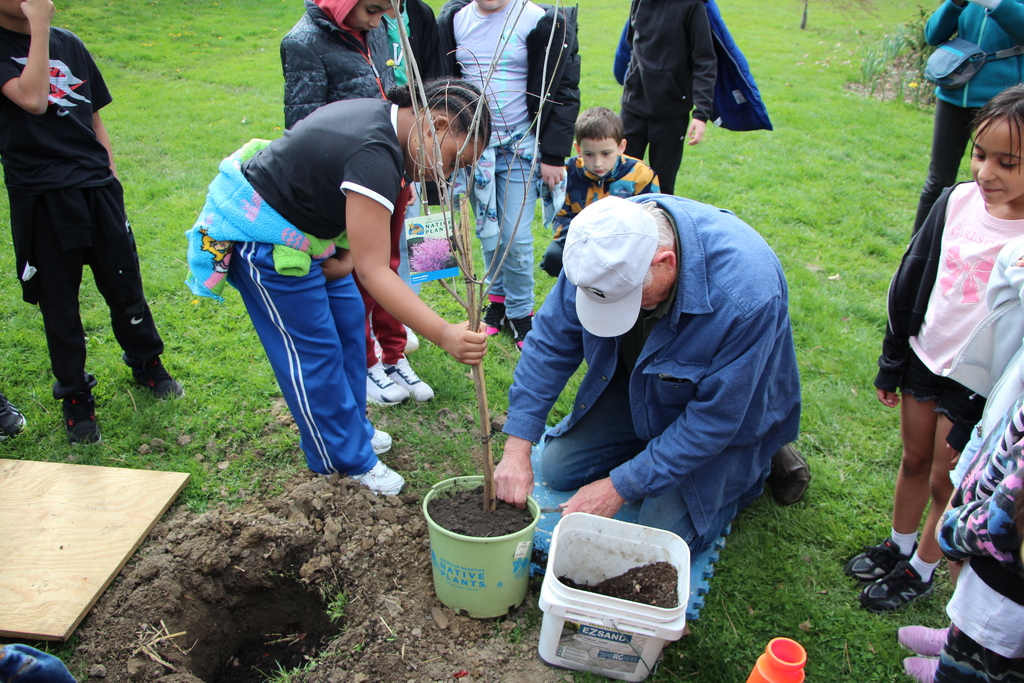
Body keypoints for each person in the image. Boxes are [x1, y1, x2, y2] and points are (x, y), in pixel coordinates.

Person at [186, 79, 491, 495]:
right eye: (454, 160)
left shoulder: (391, 133)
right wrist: (443, 333)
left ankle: (352, 428)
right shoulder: (375, 153)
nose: (449, 173)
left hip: (311, 240)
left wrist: (343, 253)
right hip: (266, 242)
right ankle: (342, 459)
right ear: (436, 124)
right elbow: (374, 271)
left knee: (349, 322)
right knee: (313, 354)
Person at [492, 195, 802, 556]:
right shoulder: (599, 244)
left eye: (627, 298)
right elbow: (549, 342)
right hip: (642, 386)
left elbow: (716, 419)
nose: (614, 311)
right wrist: (517, 448)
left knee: (658, 537)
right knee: (557, 467)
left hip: (727, 414)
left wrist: (619, 487)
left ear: (665, 262)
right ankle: (655, 447)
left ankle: (762, 453)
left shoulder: (747, 296)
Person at [847, 85, 1024, 612]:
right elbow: (912, 278)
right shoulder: (953, 201)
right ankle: (897, 546)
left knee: (948, 478)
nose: (985, 172)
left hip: (978, 382)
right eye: (979, 153)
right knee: (915, 458)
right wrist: (893, 358)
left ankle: (922, 569)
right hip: (925, 357)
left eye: (1007, 163)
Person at [0, 0, 183, 446]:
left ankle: (147, 363)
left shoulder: (71, 44)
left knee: (126, 285)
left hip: (96, 188)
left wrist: (111, 177)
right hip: (41, 195)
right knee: (59, 304)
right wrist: (39, 25)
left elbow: (93, 116)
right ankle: (75, 397)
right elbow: (33, 99)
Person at [281, 0, 434, 408]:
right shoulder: (302, 43)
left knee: (390, 266)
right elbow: (304, 126)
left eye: (386, 9)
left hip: (395, 164)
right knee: (359, 275)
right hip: (353, 182)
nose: (378, 18)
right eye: (370, 8)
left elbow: (396, 95)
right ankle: (367, 363)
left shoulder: (380, 28)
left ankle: (394, 353)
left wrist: (409, 166)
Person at [438, 0, 580, 350]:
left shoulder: (544, 22)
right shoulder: (454, 21)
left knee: (515, 238)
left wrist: (553, 155)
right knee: (488, 234)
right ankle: (498, 302)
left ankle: (521, 312)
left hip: (520, 147)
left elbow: (563, 91)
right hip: (473, 150)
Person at [912, 0, 1024, 233]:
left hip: (1001, 106)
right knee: (937, 181)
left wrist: (996, 4)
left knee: (998, 181)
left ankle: (989, 248)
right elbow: (933, 35)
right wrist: (956, 3)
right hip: (953, 95)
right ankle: (918, 253)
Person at [539, 106, 660, 278]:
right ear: (578, 149)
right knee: (553, 258)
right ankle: (575, 288)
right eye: (589, 154)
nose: (598, 163)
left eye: (606, 153)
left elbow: (651, 220)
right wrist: (587, 244)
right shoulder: (568, 173)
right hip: (582, 241)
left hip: (625, 244)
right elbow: (561, 216)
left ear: (621, 146)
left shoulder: (642, 175)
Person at [616, 0, 716, 196]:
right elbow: (632, 42)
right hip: (633, 108)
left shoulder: (692, 6)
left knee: (662, 189)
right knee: (621, 183)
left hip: (671, 114)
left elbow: (704, 60)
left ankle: (659, 227)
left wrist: (701, 113)